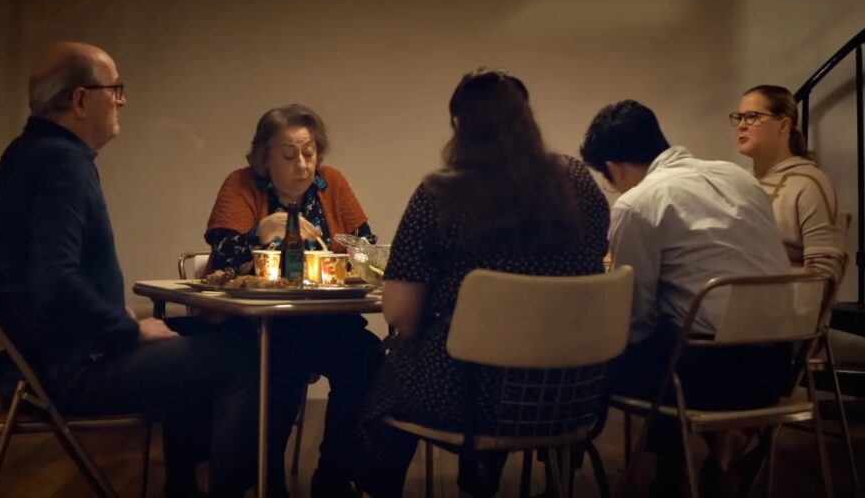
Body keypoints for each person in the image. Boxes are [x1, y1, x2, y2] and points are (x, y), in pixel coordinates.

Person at [0, 41, 257, 497]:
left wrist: (128, 322)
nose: (123, 100)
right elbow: (56, 279)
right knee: (244, 360)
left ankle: (183, 488)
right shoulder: (61, 163)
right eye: (116, 88)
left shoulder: (31, 152)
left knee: (216, 336)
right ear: (81, 99)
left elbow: (50, 282)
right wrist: (129, 330)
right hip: (64, 372)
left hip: (39, 358)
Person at [360, 69, 610, 498]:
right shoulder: (580, 183)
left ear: (459, 125)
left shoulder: (440, 194)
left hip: (467, 399)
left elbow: (400, 312)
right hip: (568, 393)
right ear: (528, 120)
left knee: (383, 376)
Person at [580, 99, 793, 496]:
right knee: (674, 323)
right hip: (780, 366)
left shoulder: (637, 203)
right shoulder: (739, 177)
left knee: (607, 352)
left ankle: (663, 470)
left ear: (613, 167)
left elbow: (635, 316)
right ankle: (725, 443)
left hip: (704, 377)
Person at [203, 103, 384, 498]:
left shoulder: (331, 183)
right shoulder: (241, 184)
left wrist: (360, 257)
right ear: (265, 158)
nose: (303, 164)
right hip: (259, 324)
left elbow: (366, 249)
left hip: (327, 320)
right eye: (289, 155)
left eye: (309, 152)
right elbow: (223, 255)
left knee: (368, 361)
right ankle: (268, 481)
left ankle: (334, 476)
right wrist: (259, 233)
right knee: (279, 365)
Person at [733, 84, 847, 280]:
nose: (742, 125)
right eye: (739, 117)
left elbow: (823, 274)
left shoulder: (810, 185)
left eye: (752, 116)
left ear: (784, 125)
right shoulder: (738, 182)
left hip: (783, 307)